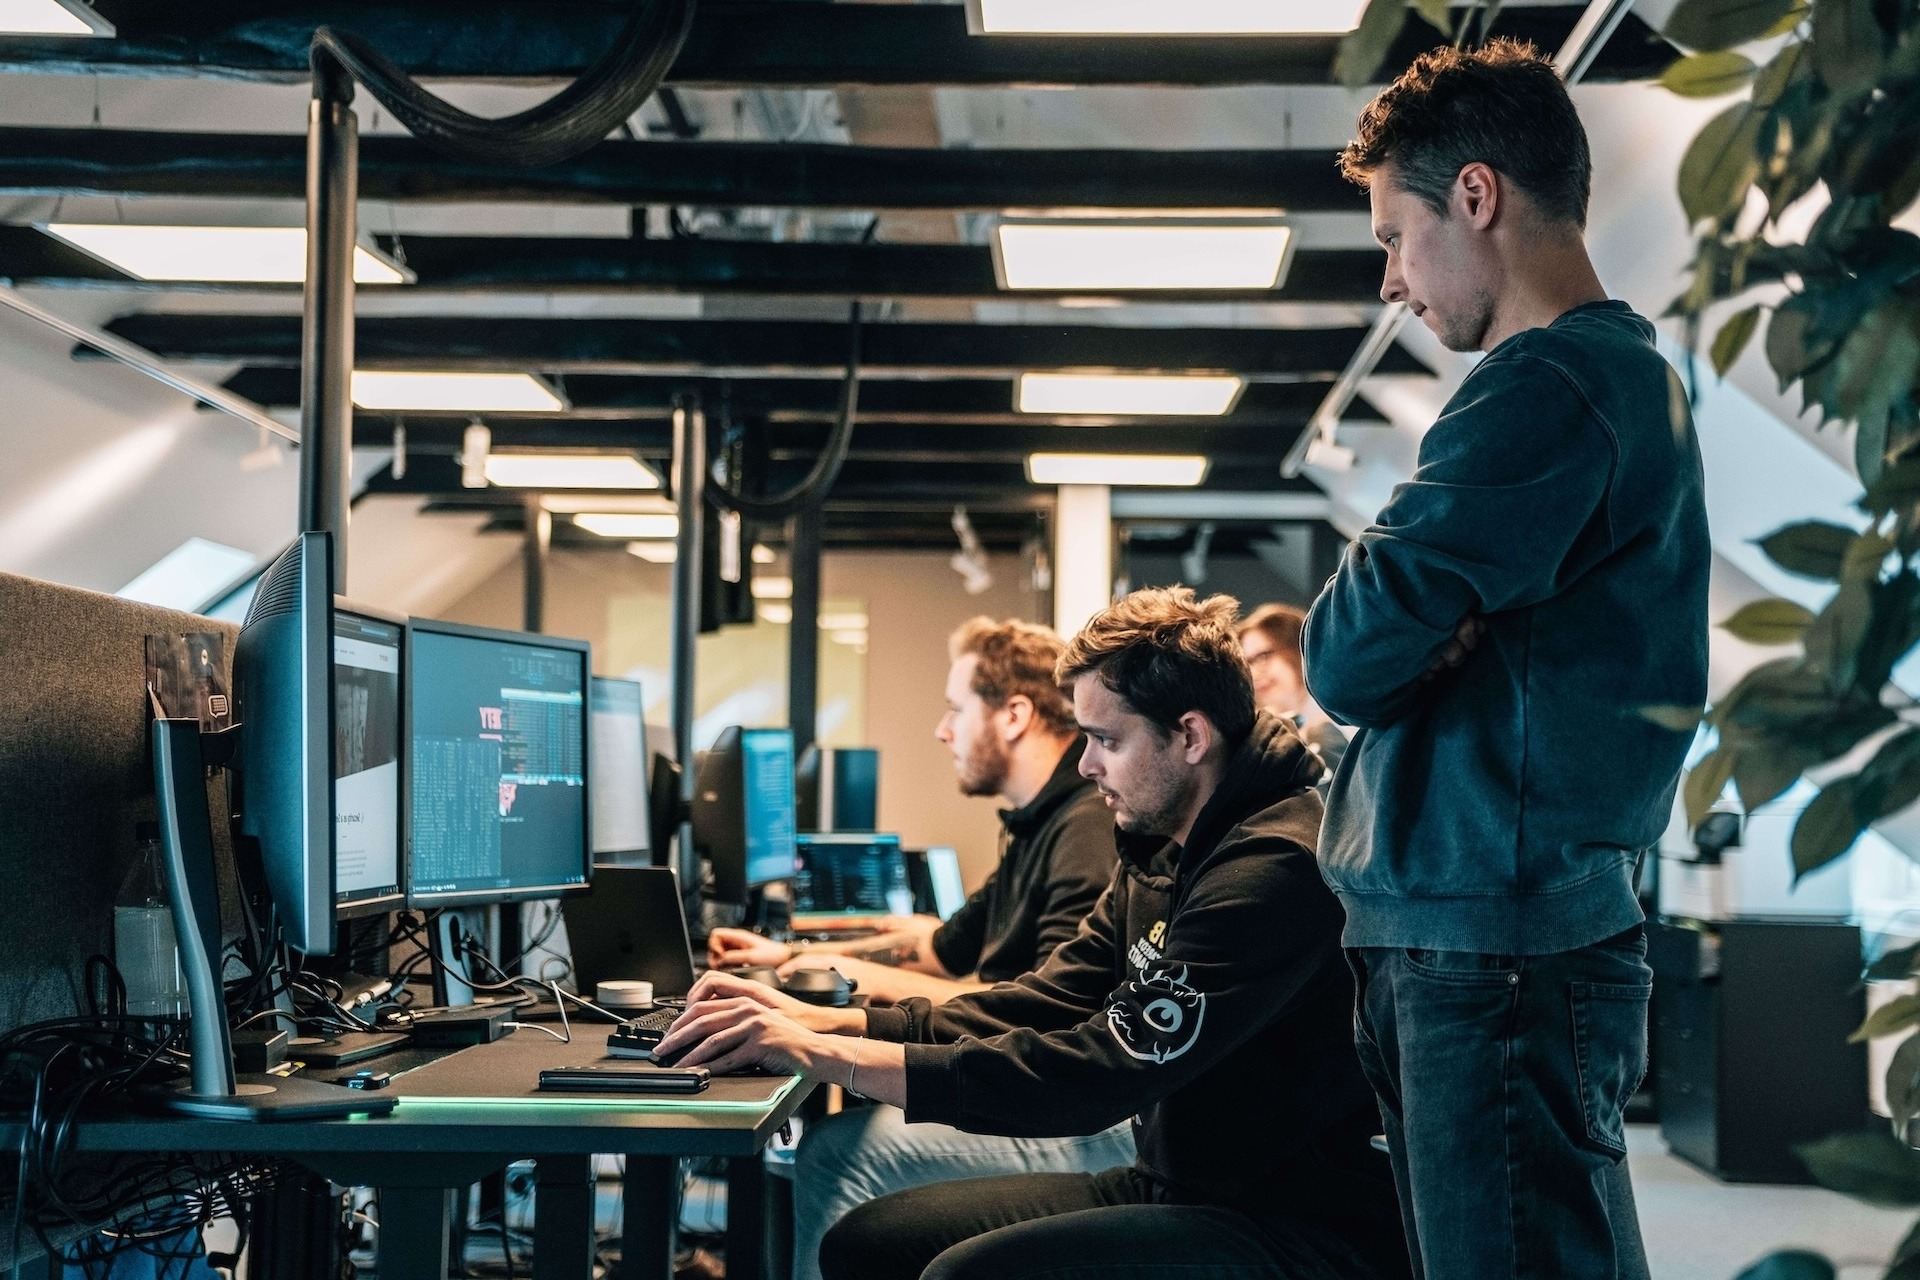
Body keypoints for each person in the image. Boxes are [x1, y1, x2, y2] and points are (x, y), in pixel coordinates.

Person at [656, 588, 1409, 1280]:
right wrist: (822, 1019)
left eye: (1106, 740)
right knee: (868, 1242)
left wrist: (830, 1055)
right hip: (1179, 1180)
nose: (1084, 766)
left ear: (1189, 735)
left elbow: (1097, 1070)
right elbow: (1045, 999)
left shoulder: (1273, 865)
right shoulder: (1164, 842)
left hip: (1293, 1222)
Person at [1301, 40, 1709, 1280]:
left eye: (1392, 236)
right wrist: (1430, 614)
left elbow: (1349, 652)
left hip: (1495, 949)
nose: (1390, 282)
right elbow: (1391, 635)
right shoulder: (1601, 380)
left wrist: (1406, 616)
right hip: (1484, 937)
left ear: (1475, 195)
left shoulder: (1549, 384)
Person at [709, 616, 1129, 1280]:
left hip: (1081, 1117)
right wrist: (796, 959)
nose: (943, 729)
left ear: (1014, 714)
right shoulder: (1038, 822)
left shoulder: (1085, 831)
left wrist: (832, 995)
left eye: (958, 708)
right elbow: (941, 947)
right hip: (1036, 1083)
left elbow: (1043, 1010)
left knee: (836, 1151)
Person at [1238, 602, 1348, 780]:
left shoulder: (1350, 717)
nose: (1254, 673)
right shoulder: (1260, 747)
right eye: (1247, 663)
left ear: (1298, 649)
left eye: (1263, 657)